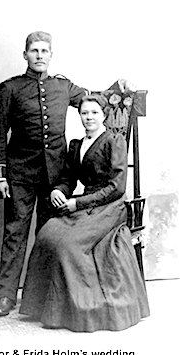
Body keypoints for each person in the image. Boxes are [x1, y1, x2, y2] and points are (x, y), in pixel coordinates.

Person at [0, 30, 134, 317]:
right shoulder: (10, 89)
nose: (39, 56)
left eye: (44, 51)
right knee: (15, 233)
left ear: (51, 55)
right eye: (34, 51)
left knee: (49, 235)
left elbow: (96, 102)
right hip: (19, 174)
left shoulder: (63, 87)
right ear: (25, 55)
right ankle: (6, 296)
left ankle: (41, 296)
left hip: (56, 178)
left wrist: (120, 86)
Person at [19, 94, 150, 332]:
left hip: (110, 206)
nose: (89, 117)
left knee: (68, 244)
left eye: (94, 113)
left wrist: (77, 204)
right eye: (84, 113)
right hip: (85, 203)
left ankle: (83, 310)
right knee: (48, 232)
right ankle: (48, 308)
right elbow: (68, 178)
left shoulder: (114, 141)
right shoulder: (77, 145)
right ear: (79, 116)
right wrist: (59, 191)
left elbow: (116, 187)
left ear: (104, 115)